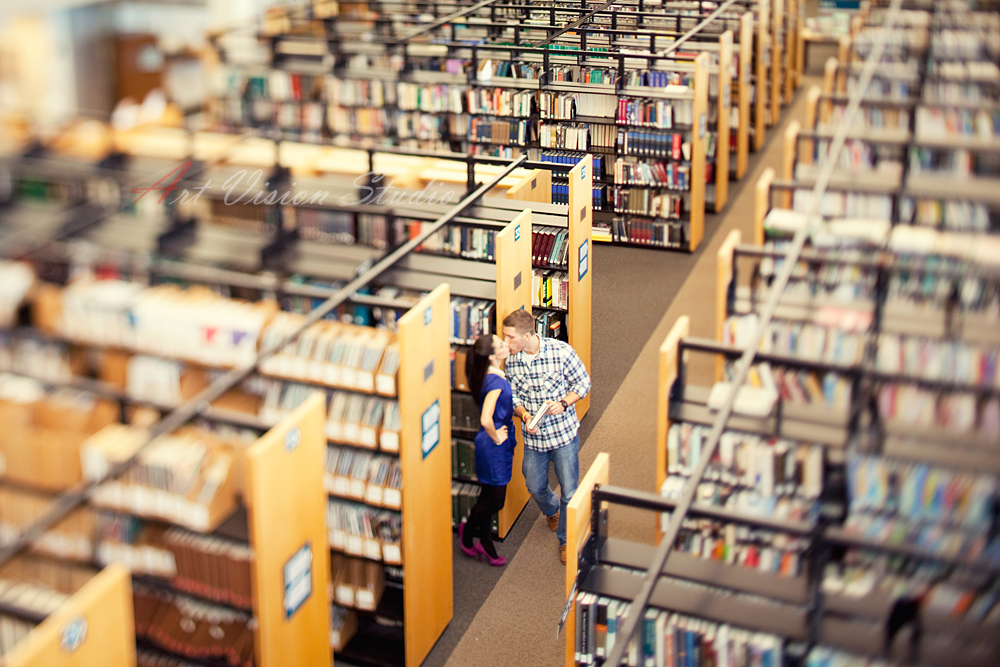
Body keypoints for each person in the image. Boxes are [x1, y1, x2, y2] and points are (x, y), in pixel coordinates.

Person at [502, 309, 591, 564]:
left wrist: (564, 403)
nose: (506, 343)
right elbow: (513, 397)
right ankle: (552, 511)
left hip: (563, 435)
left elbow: (583, 384)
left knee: (570, 490)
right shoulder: (512, 361)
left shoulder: (561, 352)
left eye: (510, 338)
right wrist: (524, 414)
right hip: (534, 439)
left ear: (527, 335)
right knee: (535, 486)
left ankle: (566, 540)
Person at [459, 333, 516, 567]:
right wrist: (497, 436)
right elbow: (485, 419)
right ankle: (468, 532)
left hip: (489, 445)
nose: (507, 344)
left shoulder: (488, 375)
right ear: (493, 356)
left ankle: (483, 541)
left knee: (488, 496)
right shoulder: (496, 382)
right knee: (496, 501)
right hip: (493, 446)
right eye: (502, 344)